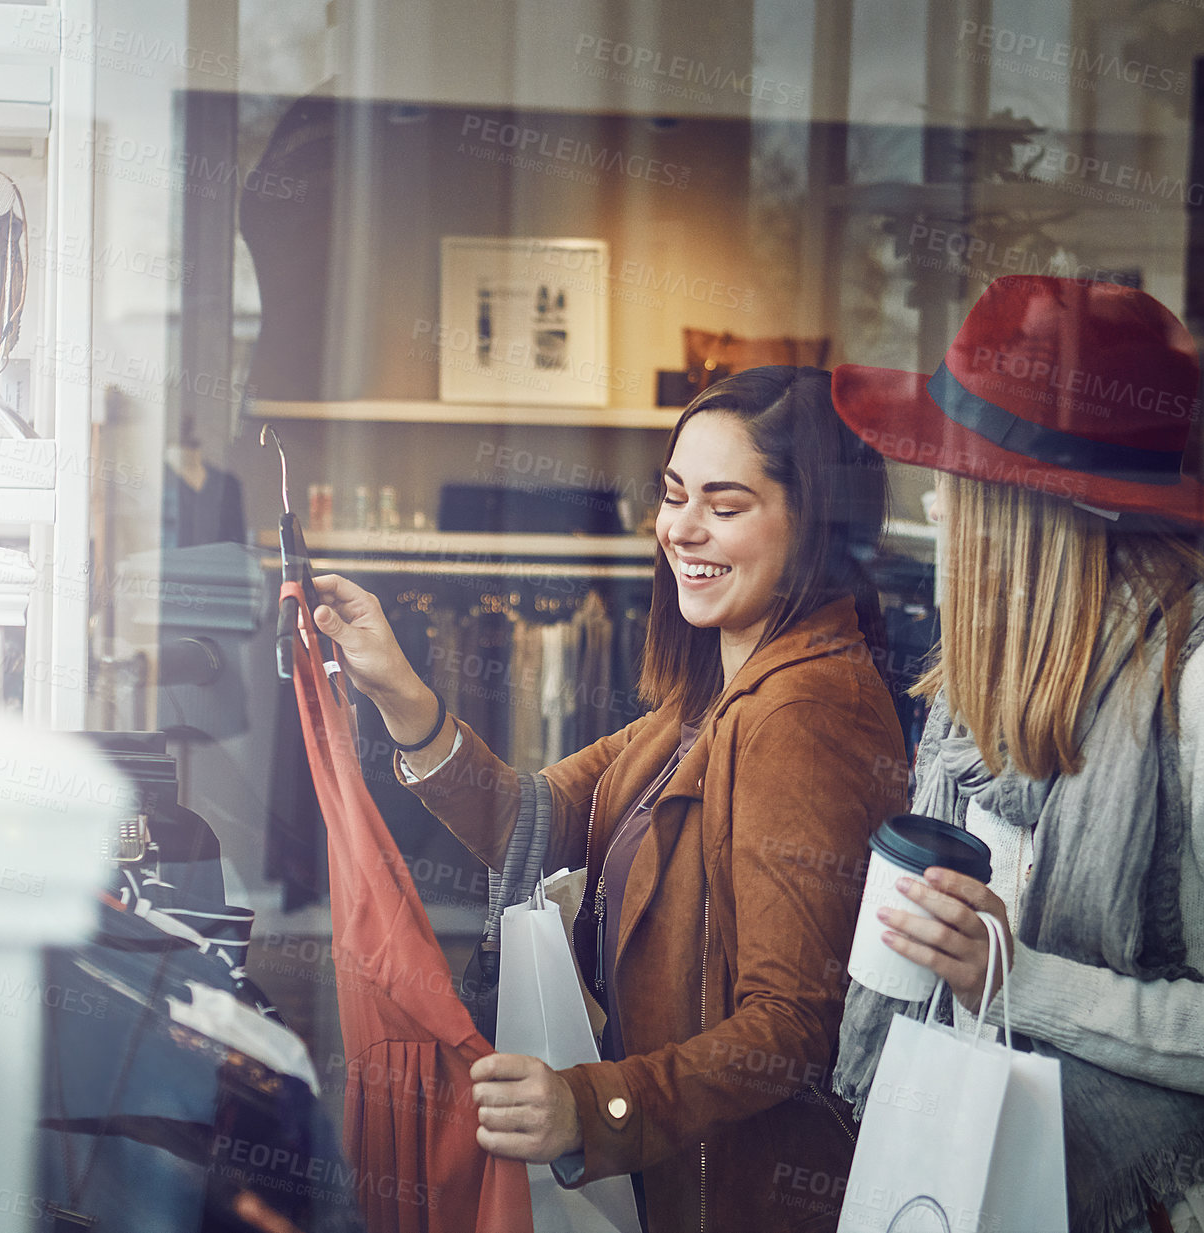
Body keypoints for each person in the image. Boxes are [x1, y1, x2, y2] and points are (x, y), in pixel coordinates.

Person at [312, 365, 908, 1232]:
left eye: (725, 505)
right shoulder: (706, 699)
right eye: (673, 496)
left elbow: (792, 1026)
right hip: (677, 1185)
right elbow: (534, 820)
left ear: (812, 521)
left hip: (740, 1202)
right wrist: (400, 691)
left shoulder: (802, 714)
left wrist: (596, 1107)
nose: (681, 529)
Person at [830, 275, 1204, 1233]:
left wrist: (1014, 980)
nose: (931, 504)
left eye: (947, 474)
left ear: (1019, 505)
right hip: (967, 1177)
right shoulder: (977, 675)